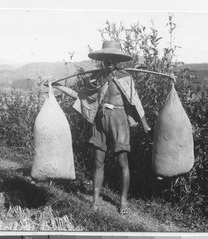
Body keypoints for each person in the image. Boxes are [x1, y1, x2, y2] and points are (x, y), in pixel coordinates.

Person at [52, 40, 151, 214]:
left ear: (118, 61)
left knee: (122, 161)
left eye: (113, 61)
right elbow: (80, 97)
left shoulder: (126, 78)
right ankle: (95, 200)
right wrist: (58, 86)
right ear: (102, 61)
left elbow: (135, 102)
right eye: (106, 61)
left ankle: (123, 201)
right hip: (100, 120)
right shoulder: (95, 79)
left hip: (119, 120)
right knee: (98, 161)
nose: (110, 64)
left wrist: (145, 125)